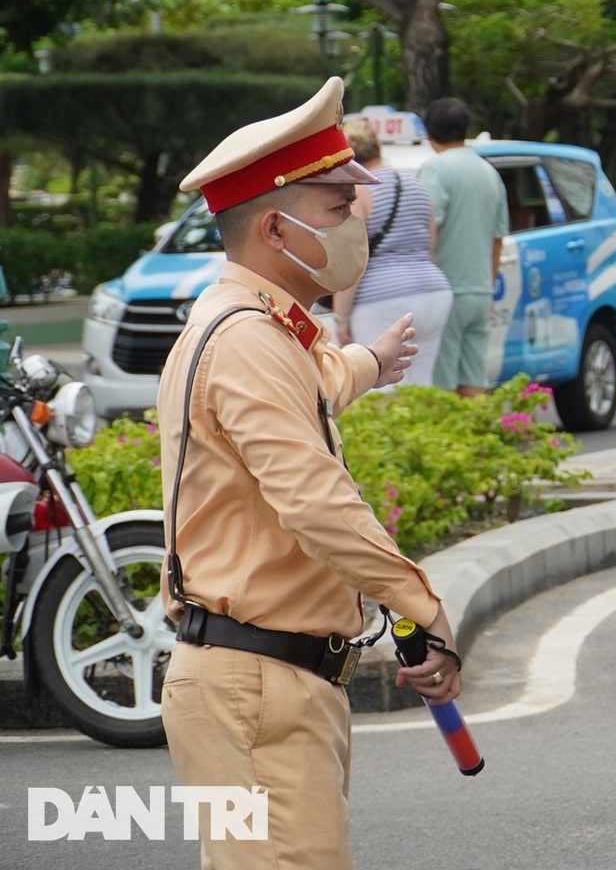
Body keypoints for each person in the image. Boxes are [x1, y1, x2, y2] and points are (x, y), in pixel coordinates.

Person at [158, 77, 462, 870]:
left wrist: (365, 361)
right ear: (274, 227)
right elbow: (313, 498)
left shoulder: (258, 330)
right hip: (257, 683)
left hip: (267, 681)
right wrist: (418, 603)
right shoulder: (250, 341)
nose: (356, 220)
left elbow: (311, 387)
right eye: (335, 208)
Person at [330, 118, 453, 388]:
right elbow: (430, 245)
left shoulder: (360, 192)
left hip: (382, 300)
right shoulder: (418, 185)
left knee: (379, 388)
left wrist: (341, 317)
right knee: (421, 387)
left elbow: (355, 258)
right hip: (433, 291)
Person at [417, 97, 508, 397]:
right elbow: (498, 239)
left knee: (440, 385)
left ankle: (447, 443)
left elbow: (428, 228)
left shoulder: (435, 170)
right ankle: (475, 442)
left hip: (445, 288)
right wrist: (489, 286)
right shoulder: (489, 173)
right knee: (473, 380)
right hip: (480, 291)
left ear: (428, 134)